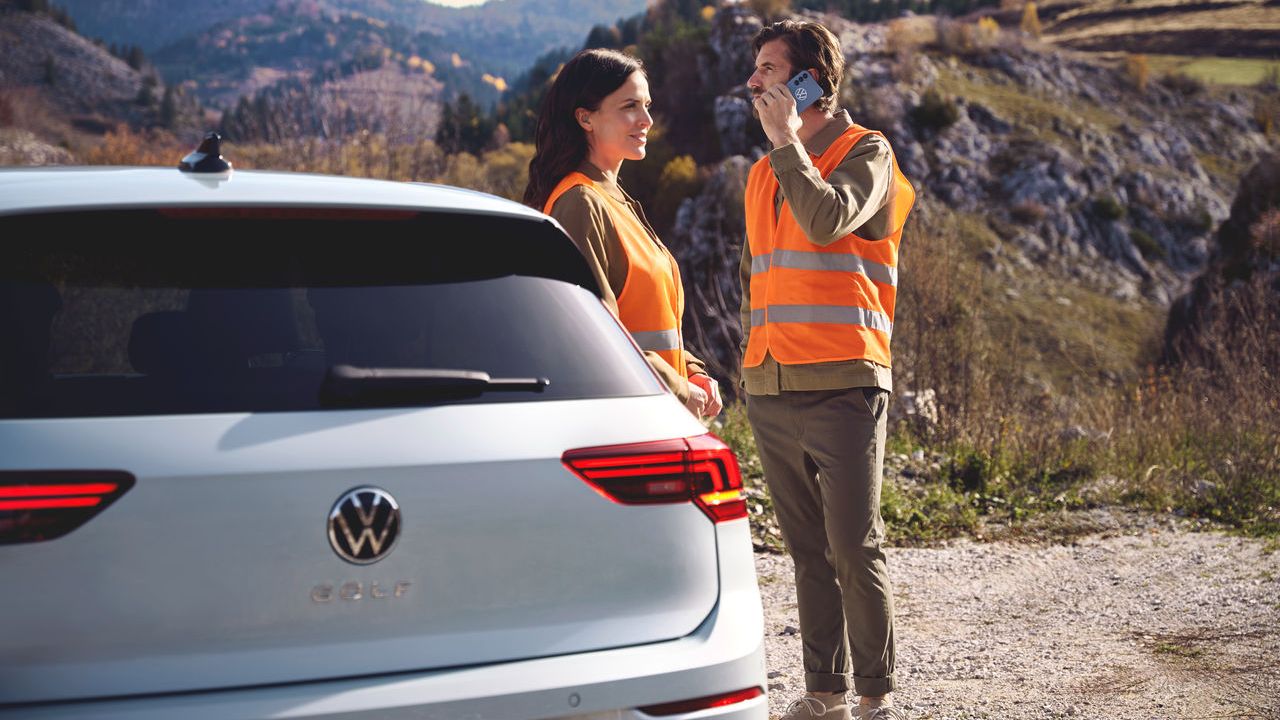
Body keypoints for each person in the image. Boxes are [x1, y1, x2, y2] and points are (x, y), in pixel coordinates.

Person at [739, 20, 916, 720]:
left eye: (769, 68)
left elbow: (825, 220)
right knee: (807, 552)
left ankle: (874, 697)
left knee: (853, 547)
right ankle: (825, 694)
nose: (753, 81)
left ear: (812, 82)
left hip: (845, 379)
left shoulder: (867, 150)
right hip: (771, 383)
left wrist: (787, 142)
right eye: (755, 68)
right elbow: (762, 275)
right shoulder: (761, 173)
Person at [524, 48, 721, 418]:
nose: (646, 120)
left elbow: (649, 322)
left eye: (647, 105)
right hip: (622, 417)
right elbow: (594, 335)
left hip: (651, 409)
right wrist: (678, 388)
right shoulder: (581, 204)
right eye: (630, 106)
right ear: (585, 118)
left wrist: (692, 372)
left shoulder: (611, 198)